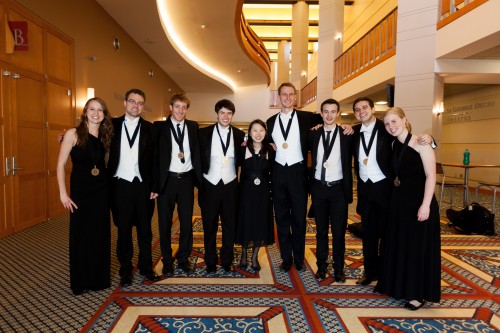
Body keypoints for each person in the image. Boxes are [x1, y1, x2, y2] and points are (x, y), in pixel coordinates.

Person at [352, 97, 435, 286]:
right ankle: (370, 271)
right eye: (357, 109)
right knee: (368, 234)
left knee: (388, 234)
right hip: (365, 190)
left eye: (365, 107)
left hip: (386, 189)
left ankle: (386, 272)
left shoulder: (387, 128)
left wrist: (431, 139)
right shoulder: (353, 131)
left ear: (373, 109)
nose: (361, 111)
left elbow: (410, 142)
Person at [374, 107, 441, 310]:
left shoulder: (422, 143)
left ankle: (416, 295)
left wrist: (426, 205)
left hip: (420, 203)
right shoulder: (393, 144)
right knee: (401, 245)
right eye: (387, 123)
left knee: (416, 249)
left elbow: (431, 176)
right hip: (399, 204)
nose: (391, 126)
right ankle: (399, 286)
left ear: (405, 120)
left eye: (394, 121)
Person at [56, 97, 114, 295]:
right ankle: (81, 281)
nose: (96, 113)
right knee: (81, 235)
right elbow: (61, 165)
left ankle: (99, 279)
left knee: (100, 234)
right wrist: (63, 193)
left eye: (100, 110)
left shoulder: (107, 135)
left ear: (104, 114)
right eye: (92, 109)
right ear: (85, 111)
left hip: (102, 191)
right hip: (80, 191)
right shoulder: (73, 133)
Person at [266, 82, 322, 273]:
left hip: (298, 173)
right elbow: (263, 142)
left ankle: (299, 258)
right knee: (281, 218)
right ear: (279, 97)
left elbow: (328, 120)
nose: (288, 98)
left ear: (295, 97)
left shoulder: (307, 118)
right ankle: (286, 258)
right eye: (284, 94)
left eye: (291, 94)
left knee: (299, 218)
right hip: (278, 172)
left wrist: (347, 127)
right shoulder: (271, 121)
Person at [107, 88, 160, 286]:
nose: (135, 105)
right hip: (120, 186)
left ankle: (146, 267)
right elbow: (90, 135)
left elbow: (155, 159)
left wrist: (155, 185)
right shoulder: (111, 125)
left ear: (142, 106)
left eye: (139, 103)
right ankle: (125, 269)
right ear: (125, 103)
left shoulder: (150, 128)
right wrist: (67, 136)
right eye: (132, 101)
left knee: (145, 231)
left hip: (143, 186)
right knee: (124, 231)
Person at [154, 93, 201, 275]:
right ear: (171, 107)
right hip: (167, 181)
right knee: (164, 223)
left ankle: (183, 258)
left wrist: (245, 142)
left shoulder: (193, 126)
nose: (180, 111)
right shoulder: (159, 127)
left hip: (187, 180)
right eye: (177, 107)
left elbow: (212, 136)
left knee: (186, 222)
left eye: (184, 107)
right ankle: (167, 260)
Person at [308, 99, 353, 282]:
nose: (329, 115)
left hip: (338, 190)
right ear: (321, 112)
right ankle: (321, 267)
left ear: (338, 113)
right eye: (325, 111)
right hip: (319, 188)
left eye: (333, 112)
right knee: (320, 232)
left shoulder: (347, 134)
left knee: (338, 232)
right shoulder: (313, 133)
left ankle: (339, 268)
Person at [198, 99, 245, 273]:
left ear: (232, 115)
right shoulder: (203, 133)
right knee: (209, 225)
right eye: (222, 113)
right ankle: (210, 260)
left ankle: (227, 259)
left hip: (230, 185)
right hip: (209, 185)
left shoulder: (240, 135)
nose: (225, 116)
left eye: (229, 113)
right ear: (217, 114)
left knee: (229, 225)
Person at [236, 119, 275, 271]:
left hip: (263, 192)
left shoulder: (270, 150)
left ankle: (254, 257)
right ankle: (243, 254)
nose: (258, 134)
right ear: (250, 133)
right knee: (246, 221)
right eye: (255, 130)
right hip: (246, 191)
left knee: (260, 222)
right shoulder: (242, 149)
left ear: (265, 133)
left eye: (261, 130)